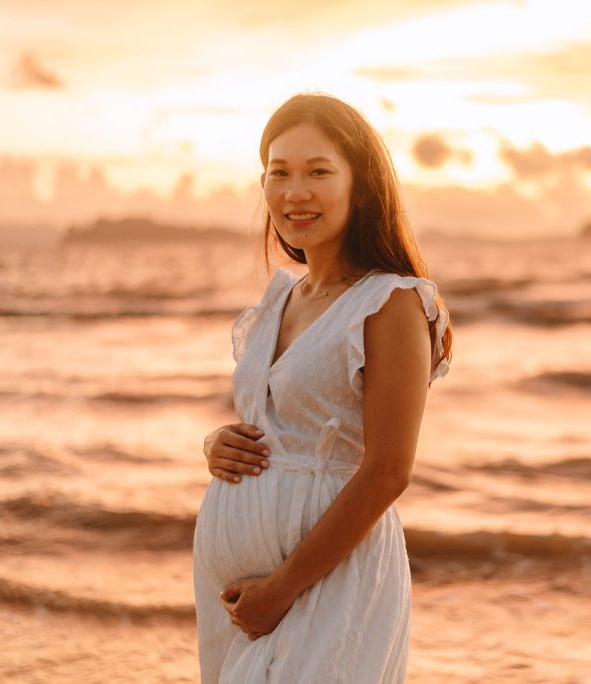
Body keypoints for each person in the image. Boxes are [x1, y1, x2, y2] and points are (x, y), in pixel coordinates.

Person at [192, 93, 453, 683]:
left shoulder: (391, 302)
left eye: (318, 171)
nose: (295, 192)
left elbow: (388, 470)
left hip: (327, 585)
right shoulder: (281, 298)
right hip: (241, 600)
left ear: (361, 186)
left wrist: (280, 590)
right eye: (278, 173)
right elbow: (278, 421)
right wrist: (217, 443)